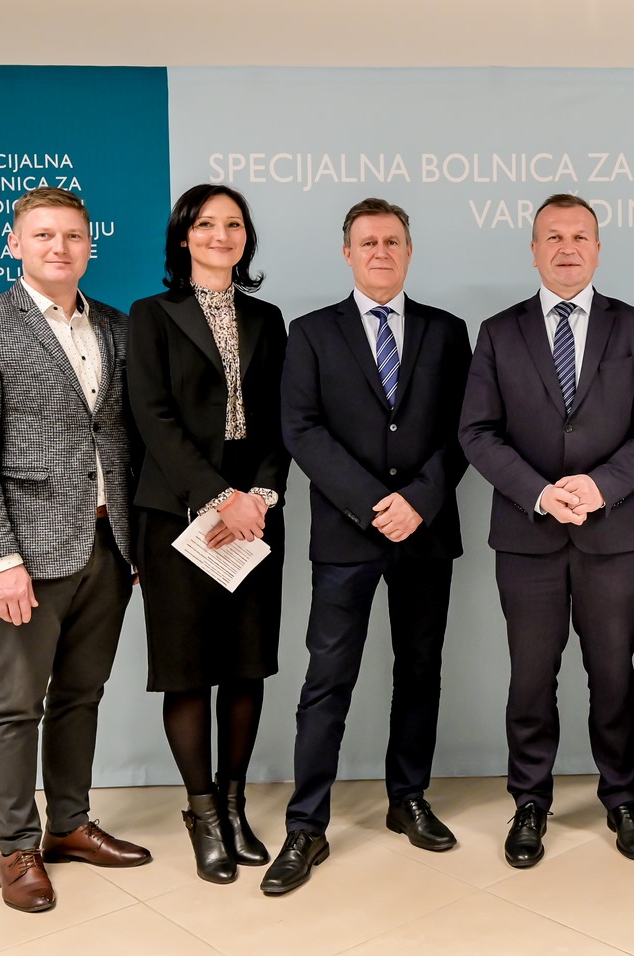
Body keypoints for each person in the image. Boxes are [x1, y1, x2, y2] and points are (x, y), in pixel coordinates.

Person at [0, 186, 151, 913]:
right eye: (43, 235)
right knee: (15, 705)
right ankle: (17, 849)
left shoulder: (118, 327)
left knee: (81, 694)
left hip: (110, 542)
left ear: (89, 245)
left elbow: (125, 438)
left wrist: (138, 542)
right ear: (15, 244)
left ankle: (69, 825)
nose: (59, 247)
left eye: (72, 236)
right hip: (28, 553)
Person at [262, 198, 472, 895]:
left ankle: (407, 798)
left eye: (392, 241)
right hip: (346, 534)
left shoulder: (447, 331)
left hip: (425, 531)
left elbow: (466, 429)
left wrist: (419, 501)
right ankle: (306, 825)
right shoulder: (311, 332)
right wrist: (373, 503)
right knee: (328, 678)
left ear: (409, 251)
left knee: (419, 671)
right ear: (347, 253)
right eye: (368, 242)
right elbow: (300, 428)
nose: (381, 251)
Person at [459, 193, 634, 869]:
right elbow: (477, 431)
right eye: (553, 236)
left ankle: (621, 796)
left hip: (613, 535)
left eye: (580, 236)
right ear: (533, 250)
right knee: (530, 679)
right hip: (529, 537)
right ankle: (529, 801)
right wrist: (541, 493)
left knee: (613, 675)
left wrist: (602, 486)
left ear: (598, 249)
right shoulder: (499, 332)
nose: (567, 247)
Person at [126, 184, 288, 884]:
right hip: (179, 513)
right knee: (189, 669)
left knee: (246, 665)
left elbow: (283, 418)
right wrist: (218, 498)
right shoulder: (151, 315)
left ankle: (234, 803)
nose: (221, 235)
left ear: (246, 238)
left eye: (234, 224)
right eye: (206, 224)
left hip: (256, 513)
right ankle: (202, 815)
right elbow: (152, 417)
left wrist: (259, 496)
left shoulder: (268, 318)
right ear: (183, 236)